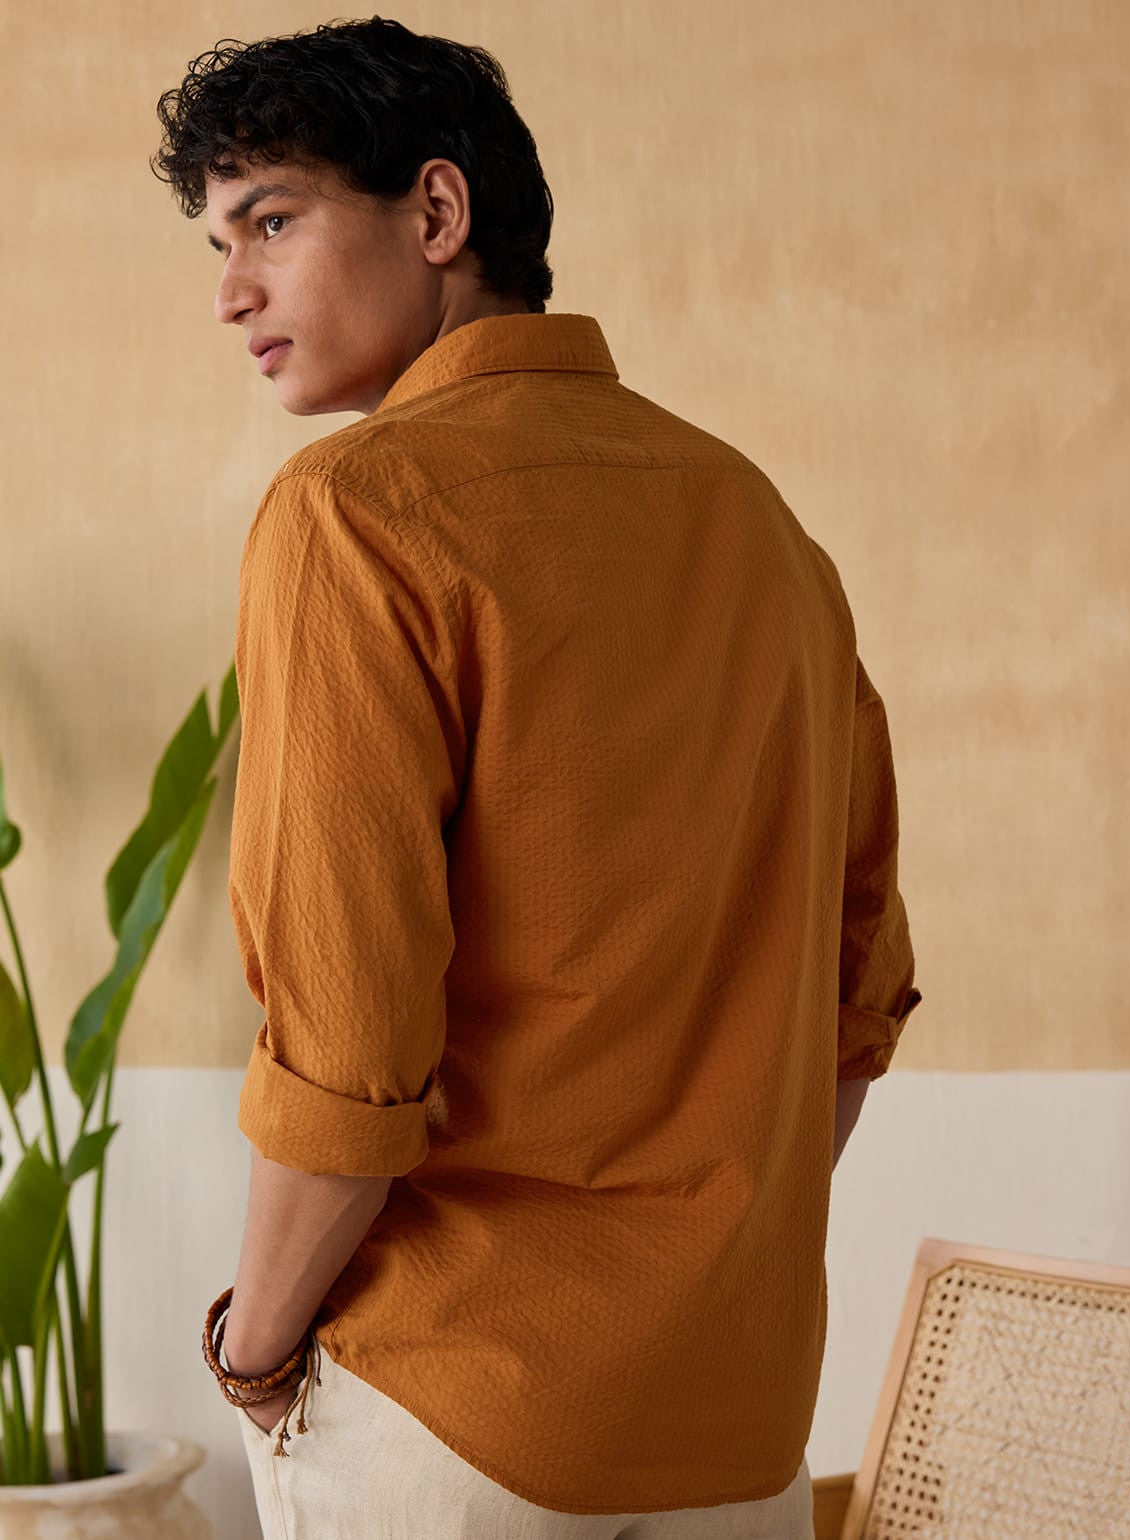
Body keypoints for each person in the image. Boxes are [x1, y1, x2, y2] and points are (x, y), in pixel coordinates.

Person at [153, 16, 922, 1539]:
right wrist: (695, 1267)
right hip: (737, 1428)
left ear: (437, 212)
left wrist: (254, 1353)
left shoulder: (354, 514)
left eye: (272, 222)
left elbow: (348, 1049)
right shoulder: (760, 524)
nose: (232, 290)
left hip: (458, 1411)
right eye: (220, 244)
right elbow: (857, 998)